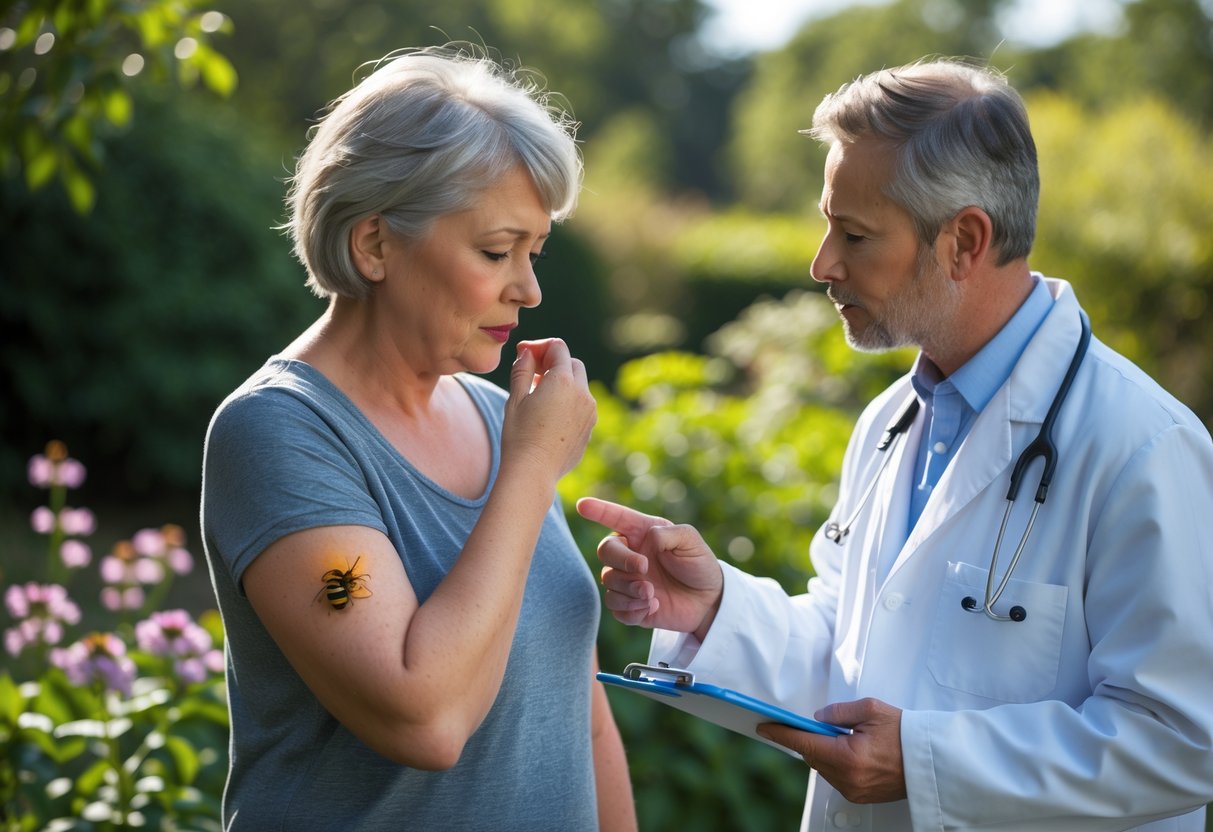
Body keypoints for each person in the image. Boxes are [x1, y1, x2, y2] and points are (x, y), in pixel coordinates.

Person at [578, 58, 1213, 830]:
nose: (822, 264)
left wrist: (925, 760)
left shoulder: (1142, 447)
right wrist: (714, 609)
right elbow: (851, 653)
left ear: (964, 241)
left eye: (853, 234)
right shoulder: (889, 421)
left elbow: (1184, 739)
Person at [200, 46, 635, 831]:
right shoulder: (276, 434)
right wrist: (532, 469)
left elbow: (582, 705)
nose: (528, 289)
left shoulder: (497, 416)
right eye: (496, 251)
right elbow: (423, 720)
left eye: (533, 253)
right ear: (374, 245)